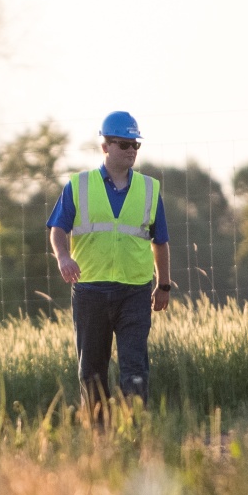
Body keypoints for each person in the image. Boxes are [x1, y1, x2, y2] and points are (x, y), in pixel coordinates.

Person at [48, 111, 172, 407]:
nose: (132, 151)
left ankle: (135, 433)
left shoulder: (150, 189)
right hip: (90, 290)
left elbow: (161, 242)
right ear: (105, 146)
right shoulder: (79, 185)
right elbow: (57, 229)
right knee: (91, 372)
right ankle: (99, 440)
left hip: (135, 292)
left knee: (135, 370)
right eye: (124, 144)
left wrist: (163, 285)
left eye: (135, 145)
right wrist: (63, 257)